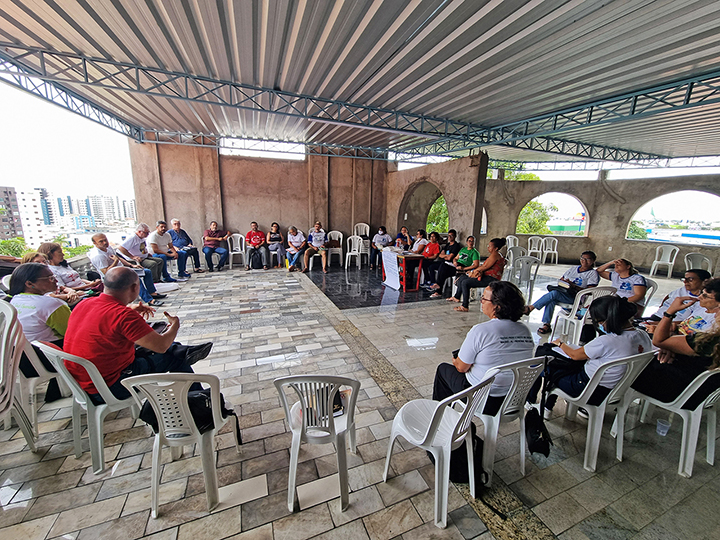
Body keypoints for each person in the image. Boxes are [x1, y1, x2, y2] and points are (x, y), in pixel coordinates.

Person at [63, 267, 213, 404]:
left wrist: (128, 308)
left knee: (149, 348)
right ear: (135, 287)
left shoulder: (85, 303)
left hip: (83, 384)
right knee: (175, 357)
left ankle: (184, 354)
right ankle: (200, 403)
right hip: (111, 386)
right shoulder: (123, 315)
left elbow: (107, 324)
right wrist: (175, 326)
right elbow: (161, 346)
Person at [527, 296, 652, 417]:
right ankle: (546, 406)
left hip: (586, 388)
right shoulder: (643, 336)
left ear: (609, 319)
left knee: (542, 364)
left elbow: (575, 355)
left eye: (599, 321)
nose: (599, 325)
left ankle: (534, 403)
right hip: (614, 391)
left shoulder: (608, 340)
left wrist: (560, 343)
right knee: (559, 363)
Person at [432, 281, 534, 415]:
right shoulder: (525, 330)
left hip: (484, 401)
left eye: (484, 299)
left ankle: (442, 419)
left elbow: (461, 368)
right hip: (513, 400)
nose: (481, 301)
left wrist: (456, 360)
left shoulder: (481, 331)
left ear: (497, 306)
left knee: (443, 370)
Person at [631, 278, 720, 409]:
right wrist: (673, 348)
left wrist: (670, 312)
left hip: (685, 392)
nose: (700, 297)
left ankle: (602, 401)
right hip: (697, 382)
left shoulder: (711, 339)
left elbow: (659, 341)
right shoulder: (712, 335)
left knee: (628, 365)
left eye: (706, 296)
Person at [9, 263, 70, 401]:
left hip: (22, 363)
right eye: (49, 278)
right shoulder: (51, 305)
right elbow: (71, 333)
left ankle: (60, 387)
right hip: (50, 360)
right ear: (30, 283)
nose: (55, 280)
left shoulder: (14, 301)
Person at [525, 251, 600, 335]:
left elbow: (590, 291)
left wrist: (573, 286)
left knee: (554, 294)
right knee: (551, 298)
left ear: (593, 261)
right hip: (565, 292)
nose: (584, 261)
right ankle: (546, 324)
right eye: (582, 258)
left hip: (576, 297)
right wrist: (564, 282)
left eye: (588, 259)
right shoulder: (573, 269)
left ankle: (531, 307)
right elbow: (561, 279)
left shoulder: (593, 274)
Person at [88, 233, 165, 307]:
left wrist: (131, 265)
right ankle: (149, 300)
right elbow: (106, 272)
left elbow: (118, 258)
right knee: (135, 278)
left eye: (105, 240)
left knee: (147, 272)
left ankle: (152, 293)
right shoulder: (98, 256)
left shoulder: (108, 248)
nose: (105, 243)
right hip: (113, 277)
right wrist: (115, 262)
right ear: (94, 243)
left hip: (122, 270)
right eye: (101, 241)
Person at [449, 238, 506, 312]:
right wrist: (472, 272)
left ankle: (465, 306)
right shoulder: (494, 254)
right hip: (486, 276)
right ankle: (457, 297)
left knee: (465, 282)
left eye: (490, 246)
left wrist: (473, 272)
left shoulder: (495, 255)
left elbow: (485, 267)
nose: (488, 247)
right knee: (462, 278)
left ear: (496, 248)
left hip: (491, 279)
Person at [38, 242, 104, 293]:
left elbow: (77, 278)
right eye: (60, 252)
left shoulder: (63, 265)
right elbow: (63, 288)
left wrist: (91, 283)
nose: (63, 254)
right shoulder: (51, 270)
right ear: (50, 254)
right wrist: (89, 285)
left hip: (87, 288)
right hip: (79, 292)